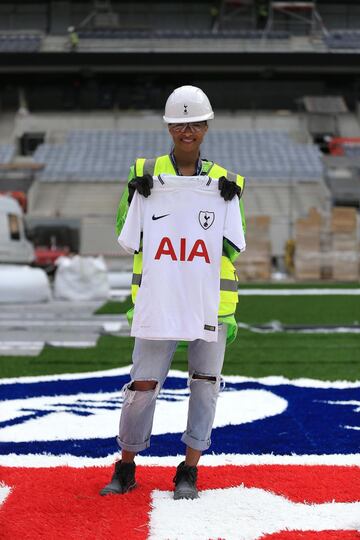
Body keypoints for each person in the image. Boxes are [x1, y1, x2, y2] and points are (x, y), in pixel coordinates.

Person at [100, 85, 246, 500]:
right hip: (159, 299)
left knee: (205, 385)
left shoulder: (225, 183)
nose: (188, 130)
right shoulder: (145, 173)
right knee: (142, 386)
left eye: (196, 122)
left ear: (206, 127)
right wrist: (134, 197)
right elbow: (125, 236)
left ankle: (189, 470)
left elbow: (234, 246)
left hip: (211, 304)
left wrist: (227, 206)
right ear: (169, 126)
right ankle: (126, 466)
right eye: (181, 123)